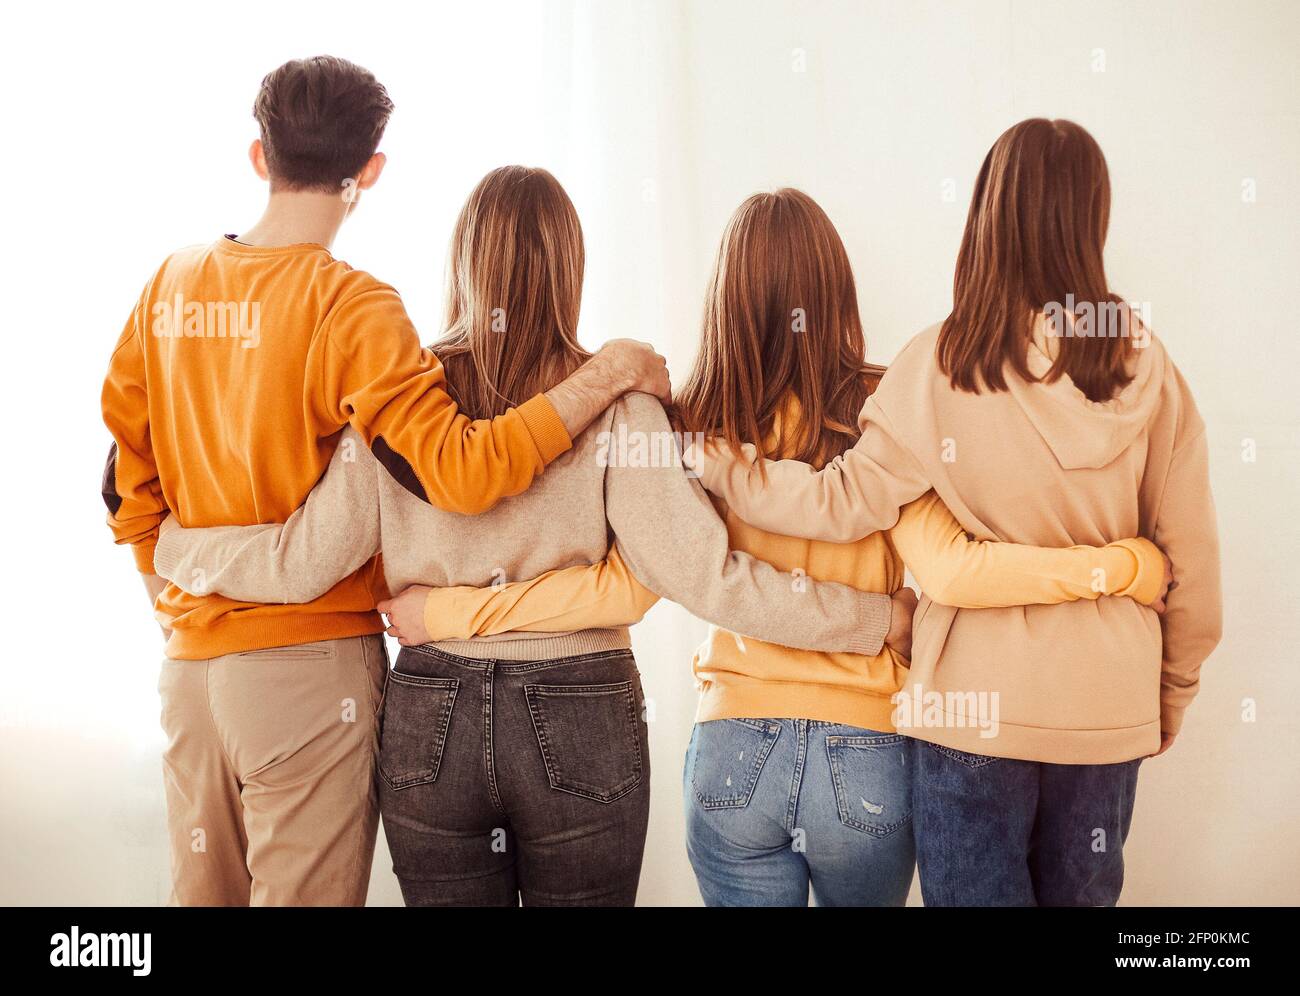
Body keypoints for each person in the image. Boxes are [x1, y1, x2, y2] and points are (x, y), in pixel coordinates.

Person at [378, 187, 1170, 907]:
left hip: (734, 751)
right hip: (869, 757)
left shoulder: (685, 422)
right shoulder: (888, 407)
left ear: (723, 301)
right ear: (838, 293)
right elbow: (944, 563)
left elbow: (656, 581)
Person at [152, 166, 911, 907]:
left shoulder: (396, 404)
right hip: (582, 710)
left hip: (431, 716)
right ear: (570, 269)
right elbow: (707, 579)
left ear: (463, 264)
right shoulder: (619, 406)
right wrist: (877, 621)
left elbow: (300, 562)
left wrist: (176, 547)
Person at [99, 57, 667, 908]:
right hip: (303, 673)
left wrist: (179, 599)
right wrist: (601, 376)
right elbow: (464, 472)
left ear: (260, 155)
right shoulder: (353, 309)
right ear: (370, 171)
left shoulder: (168, 288)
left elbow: (122, 487)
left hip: (189, 674)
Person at [681, 121, 1223, 906]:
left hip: (968, 722)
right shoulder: (1147, 366)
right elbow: (1194, 565)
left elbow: (839, 501)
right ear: (1092, 220)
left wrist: (731, 468)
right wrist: (1170, 693)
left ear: (984, 216)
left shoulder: (937, 365)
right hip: (1107, 708)